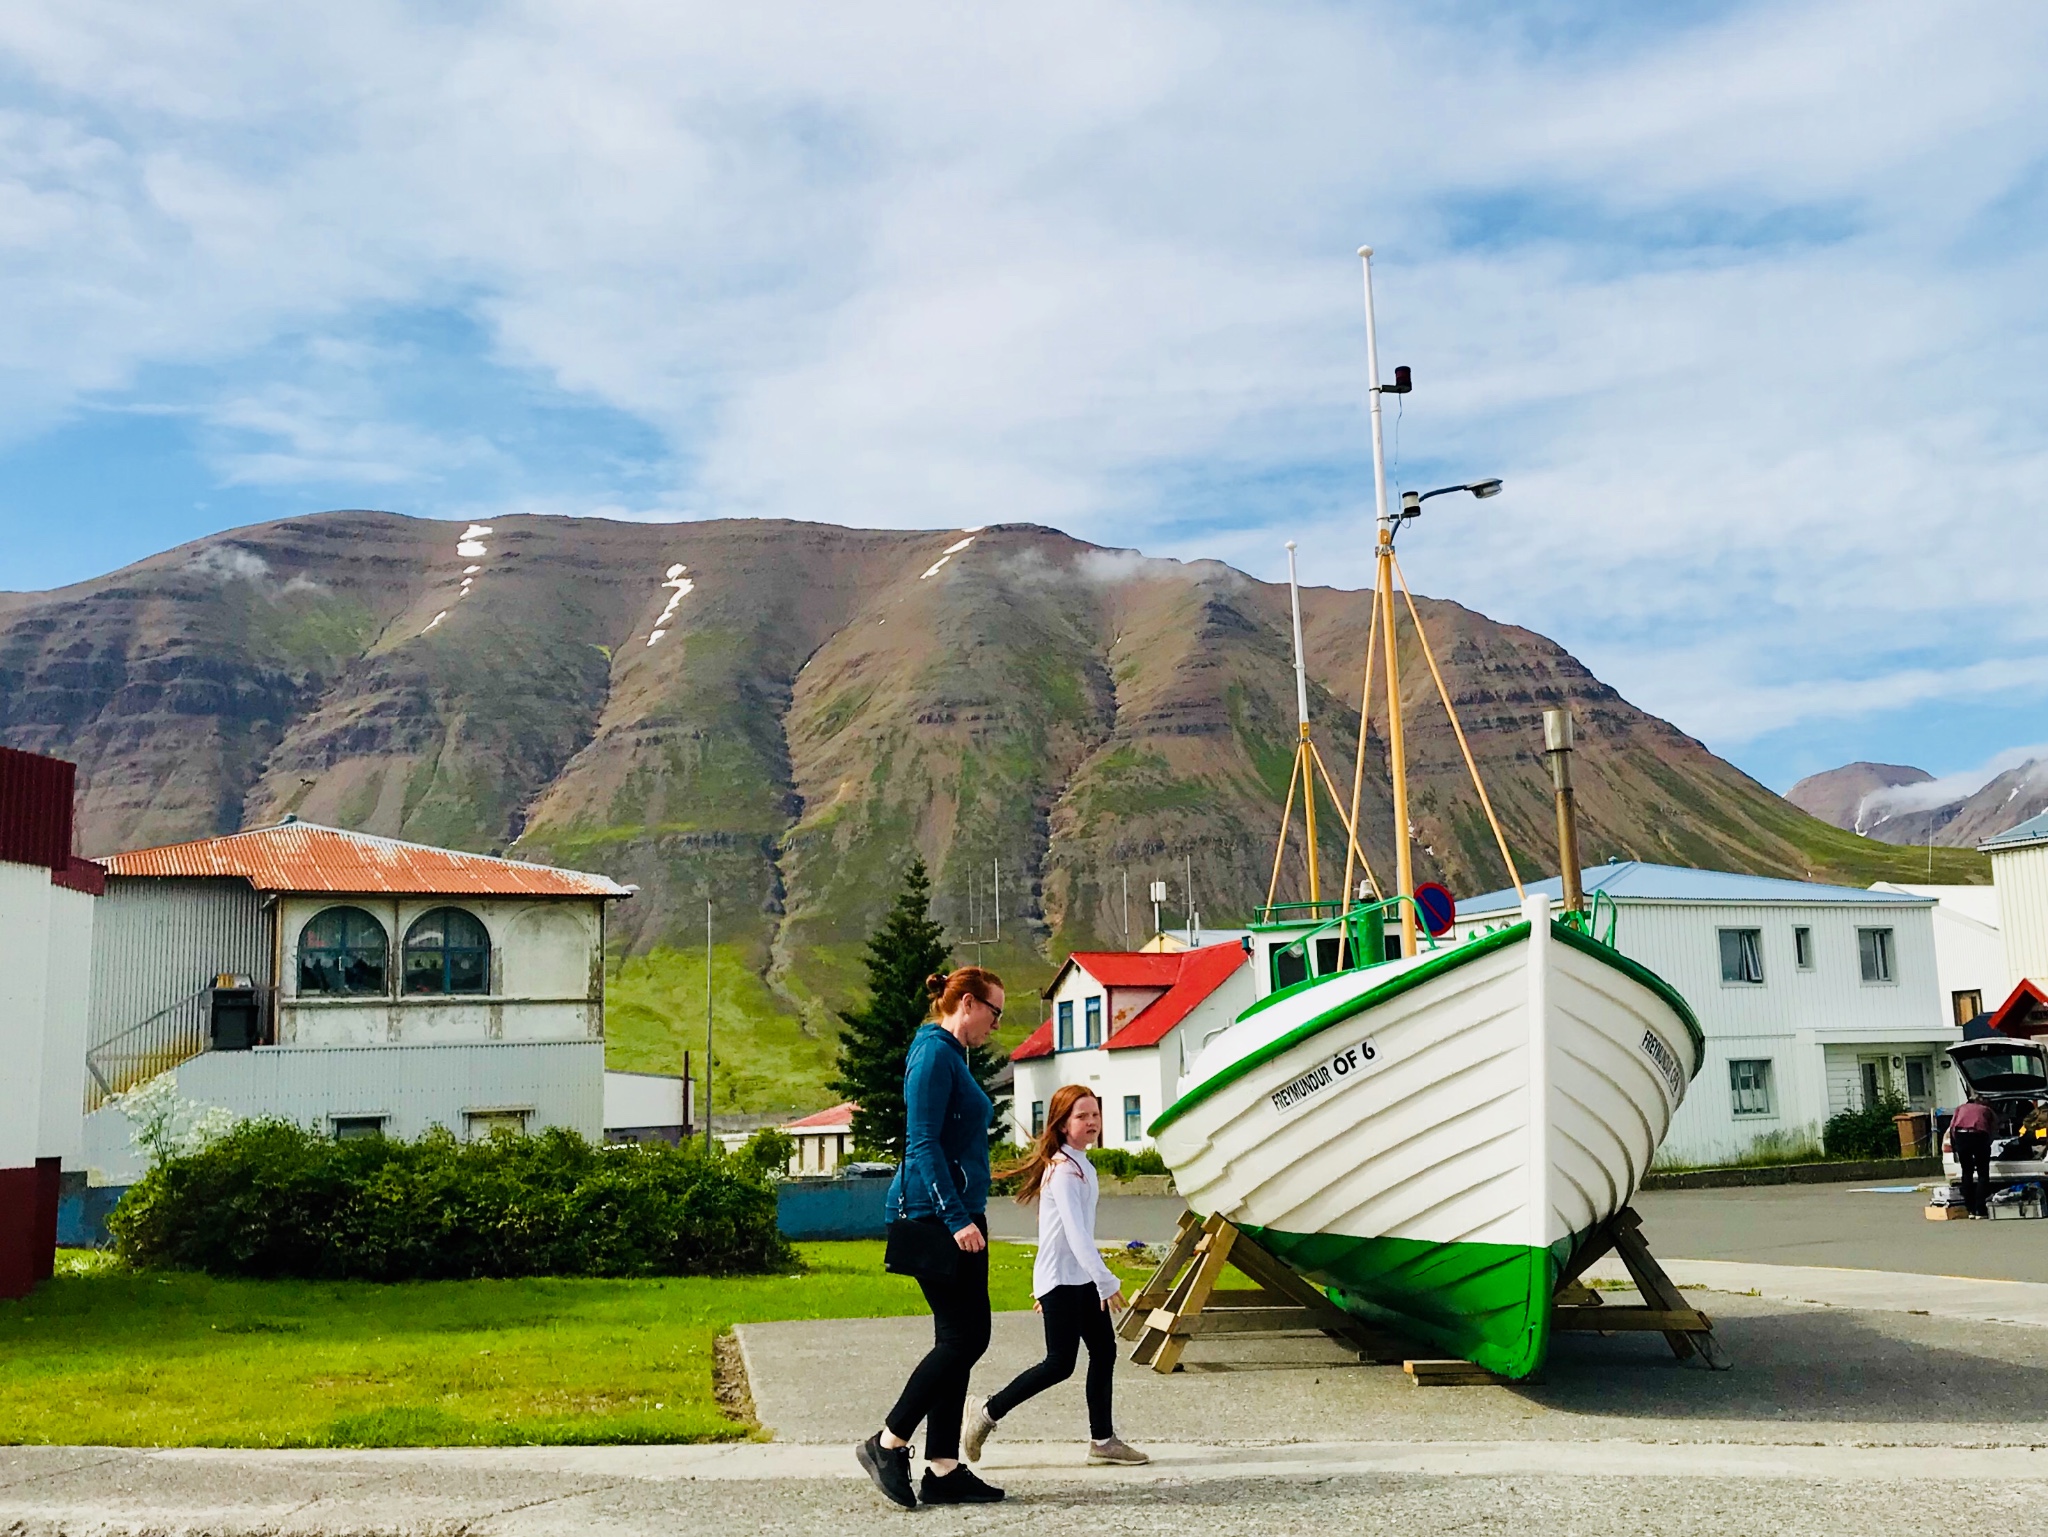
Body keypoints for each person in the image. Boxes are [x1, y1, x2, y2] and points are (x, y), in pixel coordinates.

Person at [856, 966, 1006, 1510]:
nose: (996, 1024)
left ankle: (942, 1468)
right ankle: (888, 1442)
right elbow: (921, 1144)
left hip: (959, 1213)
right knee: (964, 1339)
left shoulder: (951, 1054)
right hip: (935, 1217)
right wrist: (956, 1219)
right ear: (967, 1003)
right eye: (995, 1012)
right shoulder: (932, 1054)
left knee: (964, 1336)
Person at [960, 1084, 1150, 1468]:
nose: (1091, 1122)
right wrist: (1106, 1280)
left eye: (1095, 1114)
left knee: (1104, 1350)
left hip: (1076, 1279)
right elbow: (1075, 1234)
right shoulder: (1064, 1171)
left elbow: (1064, 1234)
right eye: (1082, 1116)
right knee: (1059, 1363)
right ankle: (986, 1411)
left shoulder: (1081, 1165)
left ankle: (1103, 1440)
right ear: (1062, 1125)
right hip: (1064, 1281)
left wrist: (1091, 1278)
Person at [1951, 1096, 1997, 1218]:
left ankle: (1970, 1209)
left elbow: (1952, 1127)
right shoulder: (1986, 1109)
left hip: (1961, 1136)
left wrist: (1955, 1146)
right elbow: (1994, 1128)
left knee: (1967, 1172)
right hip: (1979, 1137)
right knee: (1982, 1173)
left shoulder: (1960, 1108)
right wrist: (1988, 1143)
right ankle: (1980, 1210)